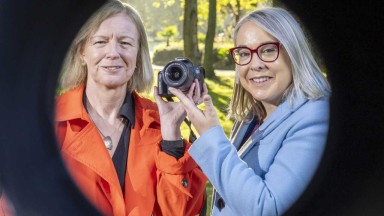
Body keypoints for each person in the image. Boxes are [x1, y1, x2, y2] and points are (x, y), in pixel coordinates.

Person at [169, 7, 331, 216]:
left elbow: (267, 208)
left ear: (293, 52)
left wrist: (211, 136)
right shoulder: (251, 115)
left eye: (268, 50)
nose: (255, 64)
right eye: (244, 53)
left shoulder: (316, 118)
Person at [53, 1, 206, 215]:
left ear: (138, 56)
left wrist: (171, 137)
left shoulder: (161, 123)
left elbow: (179, 212)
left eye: (125, 43)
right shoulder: (45, 122)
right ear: (82, 52)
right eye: (100, 42)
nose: (113, 52)